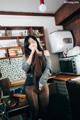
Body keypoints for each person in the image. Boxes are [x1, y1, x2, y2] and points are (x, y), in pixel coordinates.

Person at [22, 35, 52, 120]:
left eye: (33, 41)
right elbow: (25, 68)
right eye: (30, 43)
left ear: (37, 42)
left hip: (42, 83)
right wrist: (32, 52)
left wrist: (41, 82)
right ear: (27, 45)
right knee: (35, 111)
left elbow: (49, 68)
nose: (32, 43)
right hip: (30, 85)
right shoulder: (25, 55)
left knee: (45, 110)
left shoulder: (45, 52)